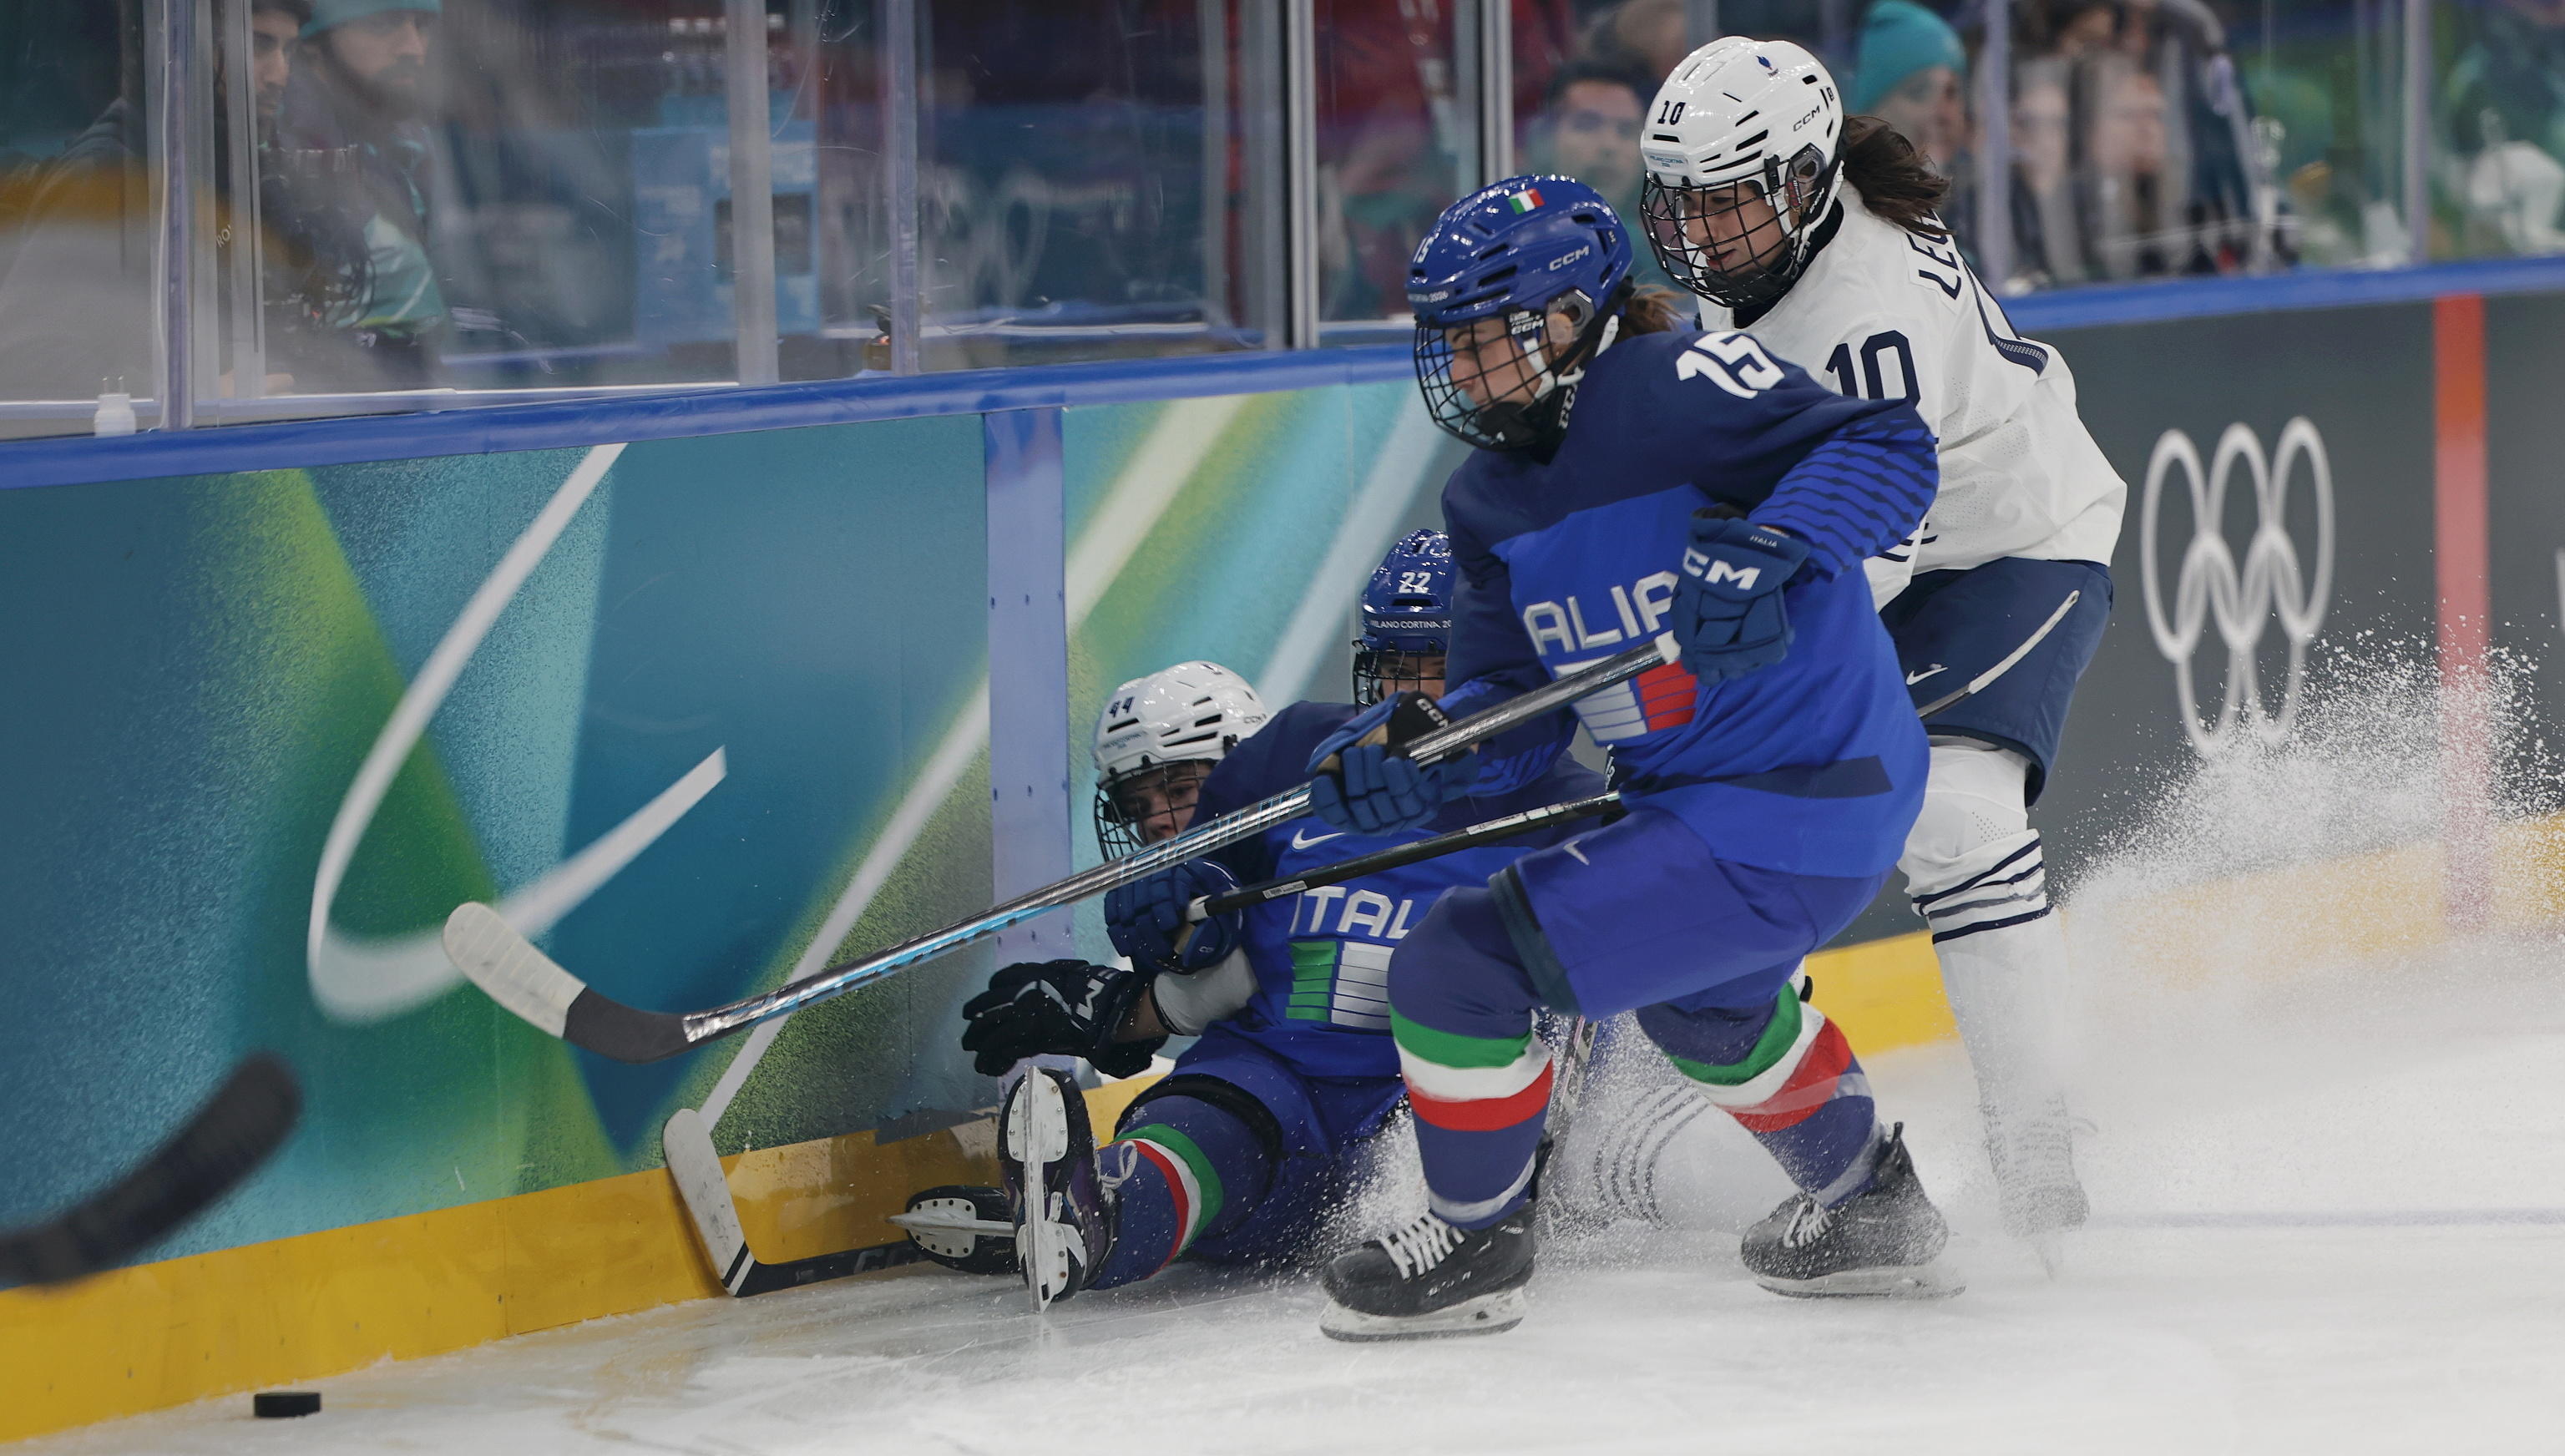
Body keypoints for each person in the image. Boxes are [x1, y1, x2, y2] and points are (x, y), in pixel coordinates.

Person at [1310, 173, 1951, 1340]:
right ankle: (1875, 1208)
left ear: (1565, 322)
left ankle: (1476, 1238)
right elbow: (1515, 715)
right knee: (1704, 1013)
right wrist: (1416, 754)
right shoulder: (1487, 505)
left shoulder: (1670, 388)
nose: (1458, 371)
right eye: (1442, 344)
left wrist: (1774, 541)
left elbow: (1886, 440)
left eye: (1482, 339)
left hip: (1797, 792)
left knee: (1457, 964)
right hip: (1717, 814)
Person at [1637, 38, 2125, 1255]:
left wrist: (1746, 635)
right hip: (1878, 549)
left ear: (1805, 181)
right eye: (1682, 199)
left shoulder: (1864, 310)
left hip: (2009, 550)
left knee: (1957, 811)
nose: (1705, 229)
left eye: (1732, 195)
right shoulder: (1775, 231)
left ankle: (2040, 1151)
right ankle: (1731, 1115)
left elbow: (1875, 531)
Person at [936, 537, 1609, 1307]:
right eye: (1391, 665)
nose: (1409, 692)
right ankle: (1103, 1215)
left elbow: (1609, 985)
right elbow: (1215, 907)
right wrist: (1171, 917)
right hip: (1271, 1068)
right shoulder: (1296, 753)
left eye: (1435, 662)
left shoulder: (1574, 808)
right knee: (1201, 1125)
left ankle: (1438, 1228)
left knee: (1409, 1177)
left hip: (1421, 1093)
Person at [279, 0, 448, 387]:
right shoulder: (281, 151)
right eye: (384, 23)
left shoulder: (407, 141)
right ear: (312, 41)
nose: (413, 48)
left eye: (422, 25)